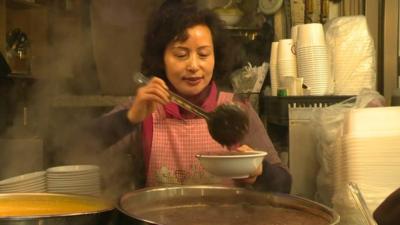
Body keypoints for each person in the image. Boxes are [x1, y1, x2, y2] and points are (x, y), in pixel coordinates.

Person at [81, 0, 291, 192]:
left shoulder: (236, 110)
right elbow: (76, 147)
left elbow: (284, 184)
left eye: (203, 54)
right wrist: (129, 118)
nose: (193, 66)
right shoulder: (146, 108)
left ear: (215, 57)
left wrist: (259, 171)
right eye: (181, 54)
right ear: (161, 58)